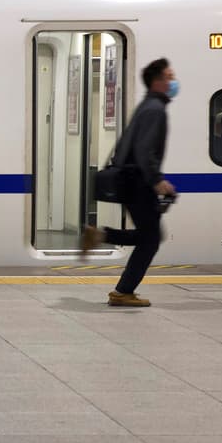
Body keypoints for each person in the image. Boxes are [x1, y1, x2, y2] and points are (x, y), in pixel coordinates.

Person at [82, 57, 178, 307]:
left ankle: (101, 235)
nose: (173, 81)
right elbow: (145, 149)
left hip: (132, 179)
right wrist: (157, 181)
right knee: (151, 239)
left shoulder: (147, 106)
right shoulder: (155, 110)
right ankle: (122, 291)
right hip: (139, 181)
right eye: (169, 77)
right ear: (157, 82)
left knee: (149, 236)